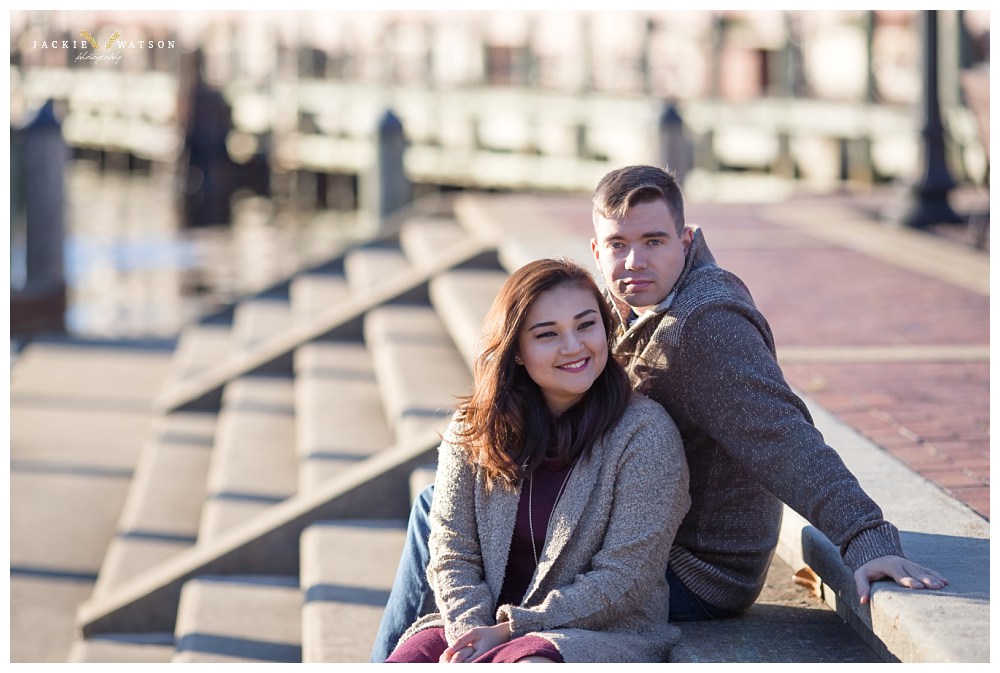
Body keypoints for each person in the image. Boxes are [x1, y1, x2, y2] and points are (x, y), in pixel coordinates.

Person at [370, 165, 948, 662]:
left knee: (439, 516)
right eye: (617, 245)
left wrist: (866, 536)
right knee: (451, 509)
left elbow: (783, 437)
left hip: (697, 564)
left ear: (686, 239)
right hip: (642, 517)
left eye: (653, 241)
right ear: (596, 251)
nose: (633, 261)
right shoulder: (629, 304)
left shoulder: (704, 329)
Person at [384, 258, 689, 664]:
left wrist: (513, 629)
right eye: (547, 335)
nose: (574, 346)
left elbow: (626, 579)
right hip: (478, 623)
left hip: (590, 632)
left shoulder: (645, 434)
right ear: (518, 352)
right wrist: (470, 632)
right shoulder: (476, 427)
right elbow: (452, 552)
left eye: (586, 325)